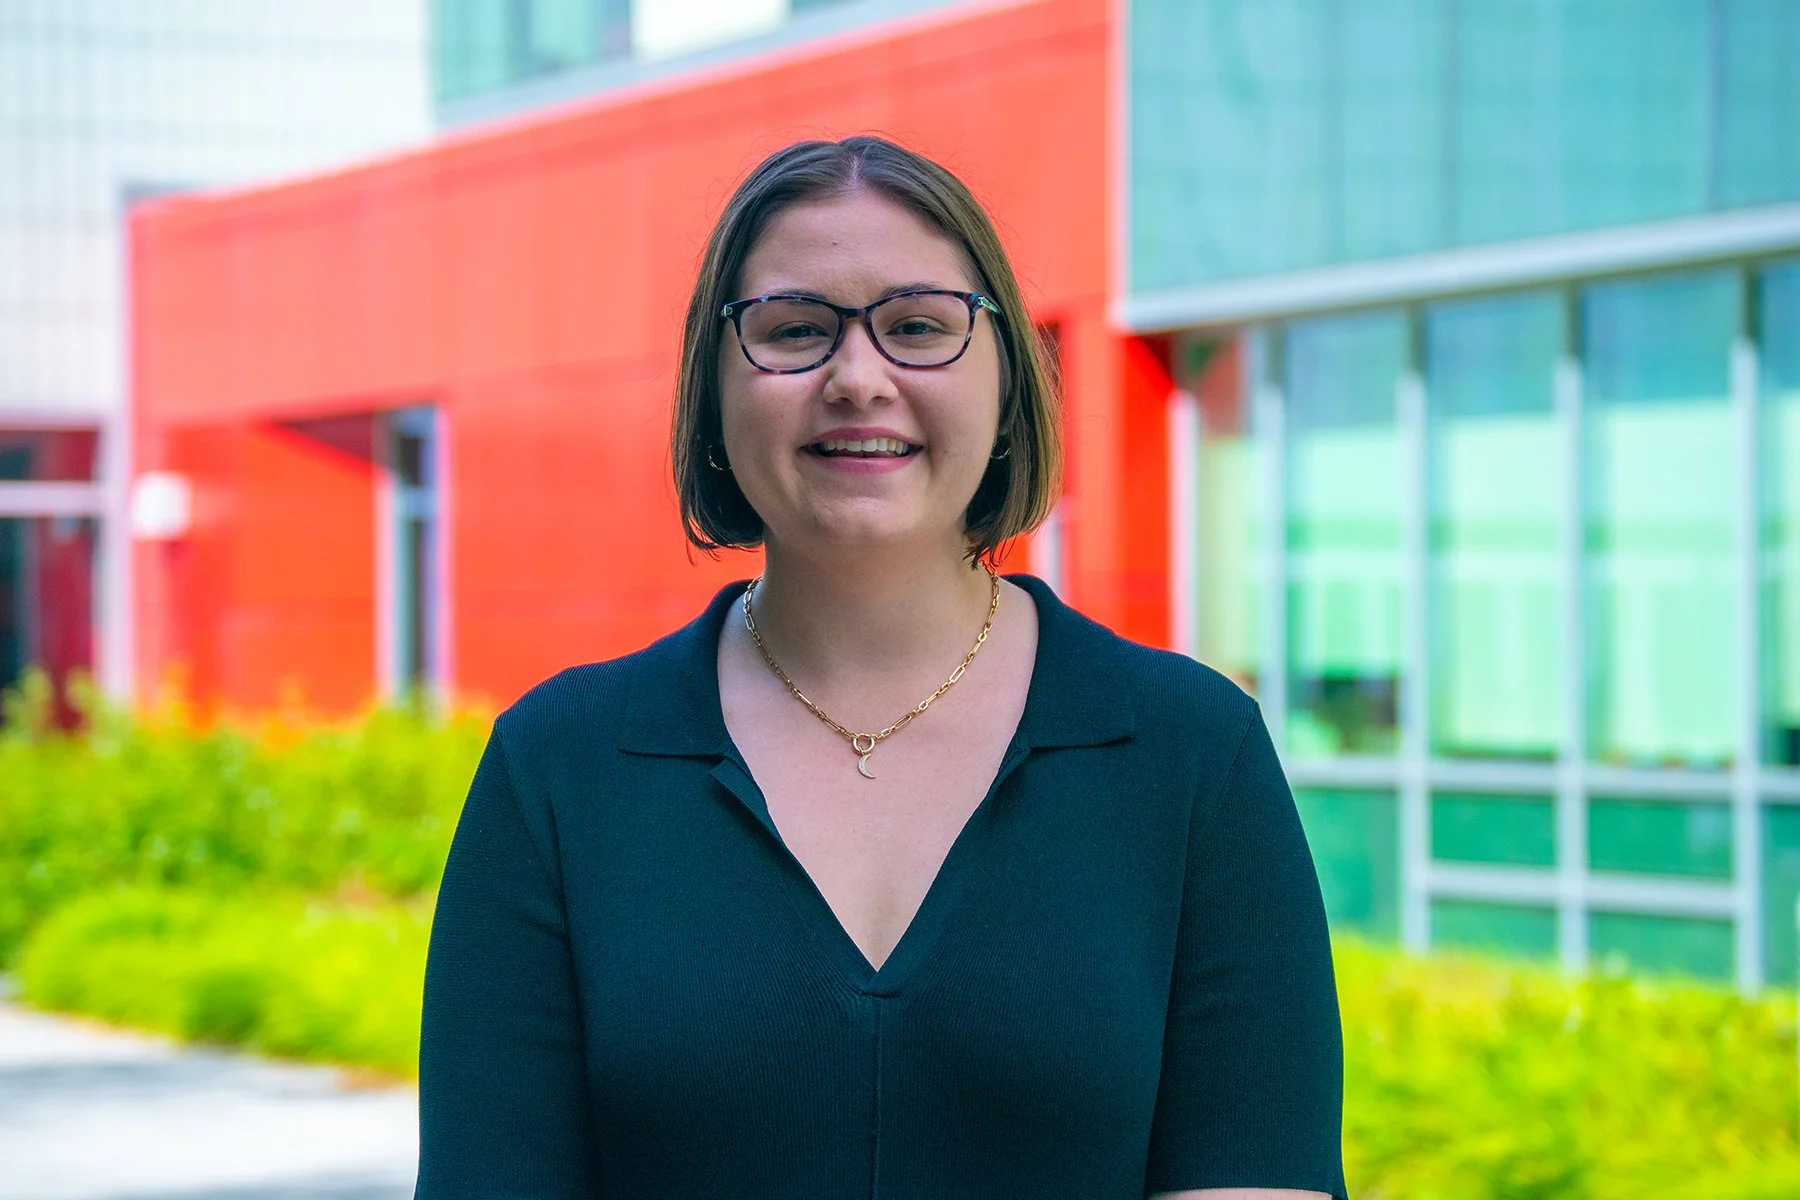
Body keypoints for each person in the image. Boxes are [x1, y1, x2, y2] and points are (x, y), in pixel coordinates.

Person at [415, 136, 1346, 1200]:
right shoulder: (560, 768)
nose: (858, 379)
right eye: (795, 331)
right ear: (714, 391)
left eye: (918, 328)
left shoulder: (1192, 753)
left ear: (1008, 382)